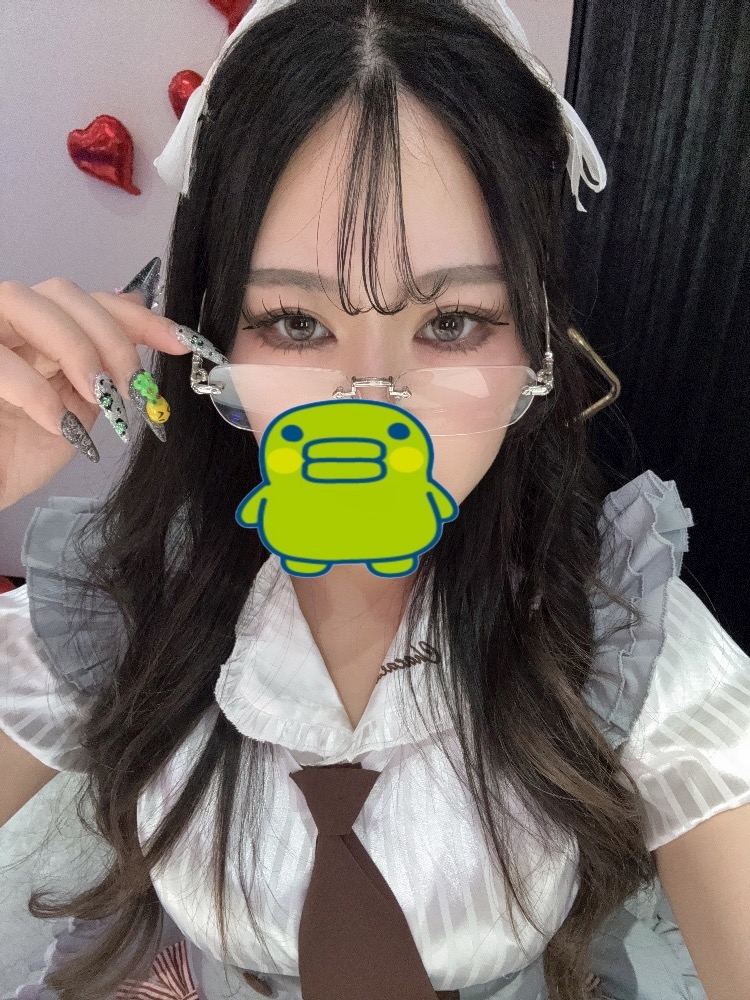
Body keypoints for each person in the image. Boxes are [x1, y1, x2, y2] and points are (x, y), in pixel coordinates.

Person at [1, 1, 748, 999]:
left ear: (539, 346)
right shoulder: (122, 593)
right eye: (296, 322)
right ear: (209, 338)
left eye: (453, 322)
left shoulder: (622, 627)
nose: (368, 406)